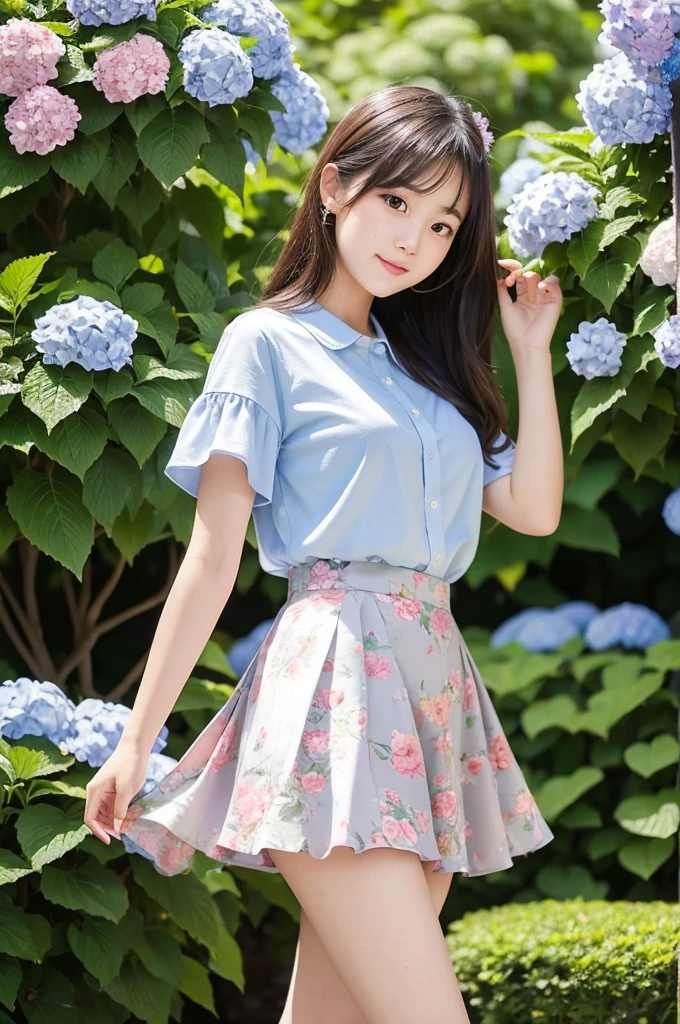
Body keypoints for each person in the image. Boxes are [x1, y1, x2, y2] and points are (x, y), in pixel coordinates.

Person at [84, 84, 564, 1024]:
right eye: (397, 202)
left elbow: (535, 509)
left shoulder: (429, 368)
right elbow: (213, 555)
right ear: (337, 187)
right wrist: (136, 739)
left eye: (441, 224)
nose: (413, 239)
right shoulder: (265, 343)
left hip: (430, 697)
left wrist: (532, 352)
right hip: (332, 694)